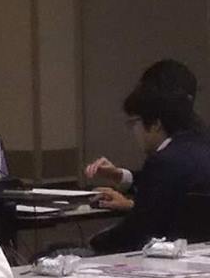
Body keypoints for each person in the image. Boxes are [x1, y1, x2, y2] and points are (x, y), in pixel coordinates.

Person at [84, 68, 210, 253]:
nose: (134, 132)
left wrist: (93, 242)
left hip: (163, 253)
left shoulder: (163, 161)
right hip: (198, 254)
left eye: (134, 123)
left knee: (58, 252)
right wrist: (122, 180)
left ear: (156, 123)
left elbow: (138, 230)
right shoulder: (200, 145)